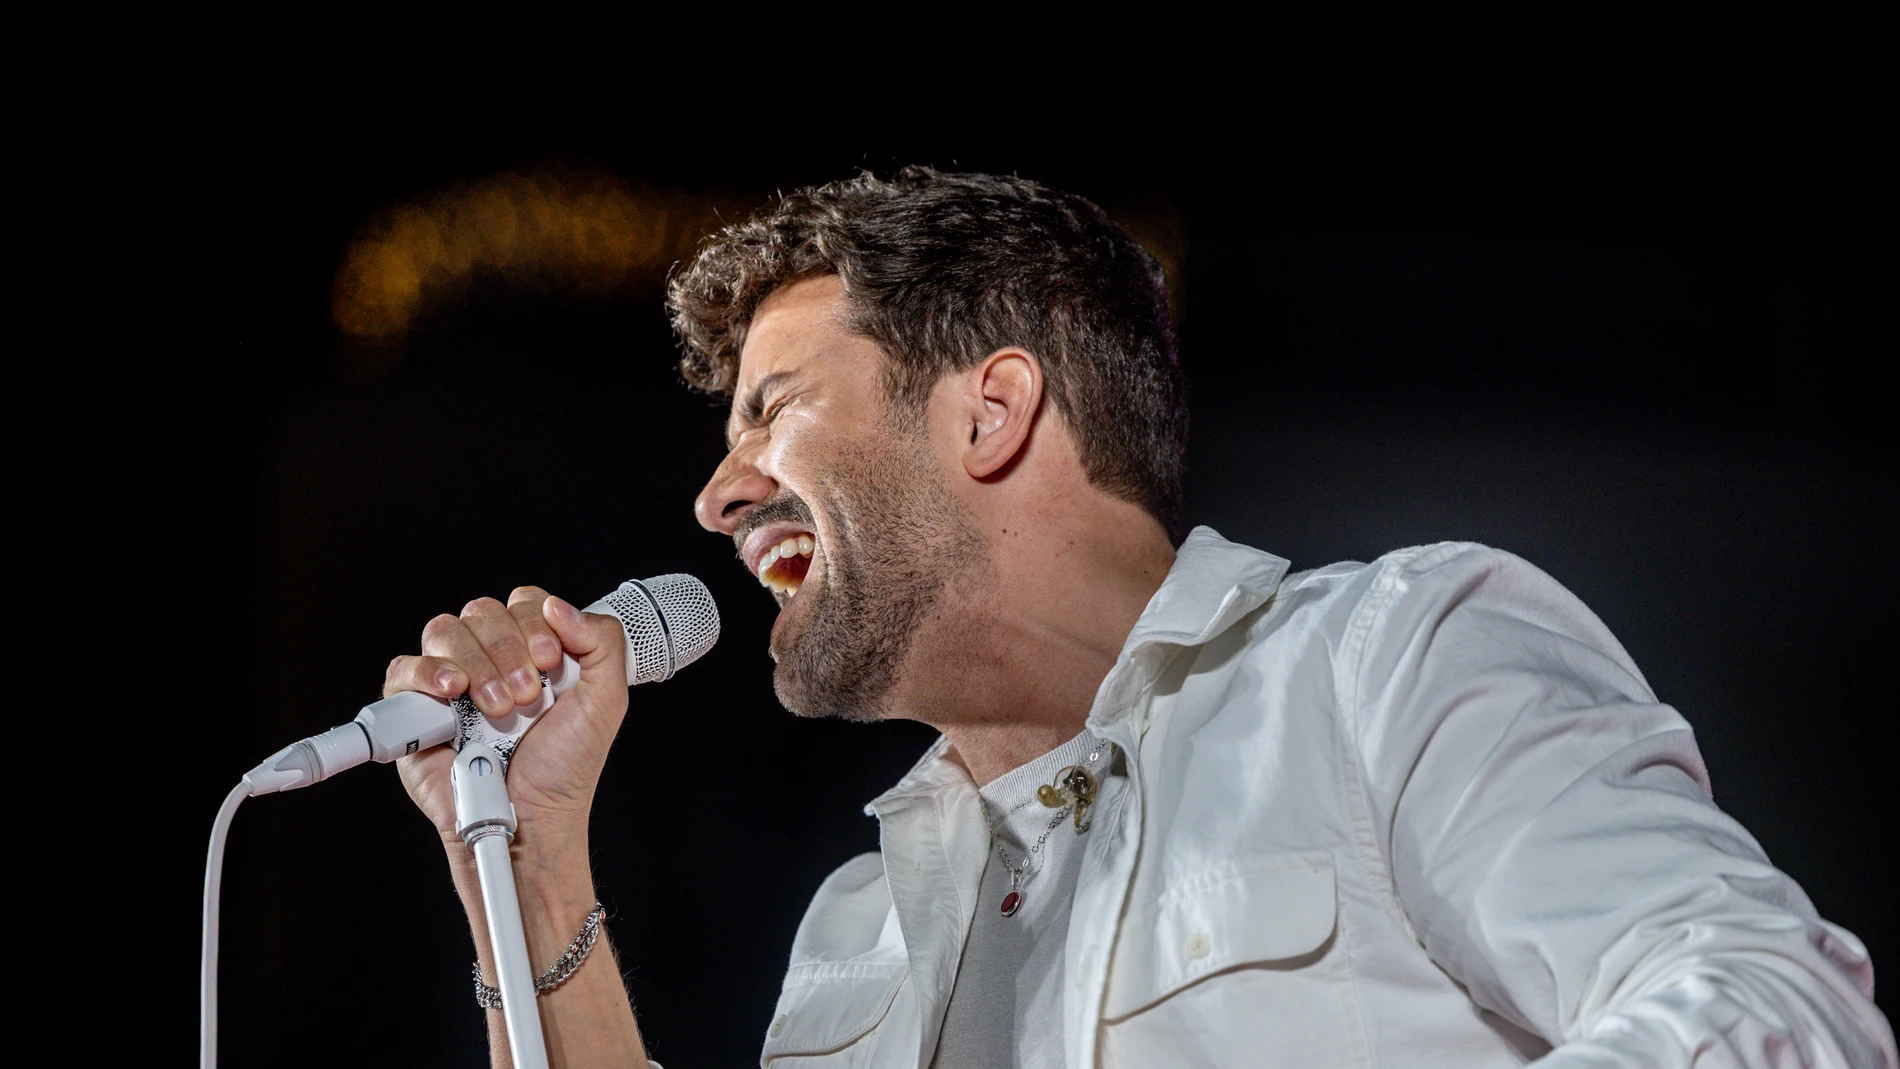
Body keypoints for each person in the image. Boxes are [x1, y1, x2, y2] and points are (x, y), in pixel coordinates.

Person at [380, 168, 1895, 1068]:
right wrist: (525, 855)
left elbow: (1768, 1005)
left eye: (773, 412)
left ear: (992, 411)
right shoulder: (858, 932)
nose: (718, 495)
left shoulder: (1386, 663)